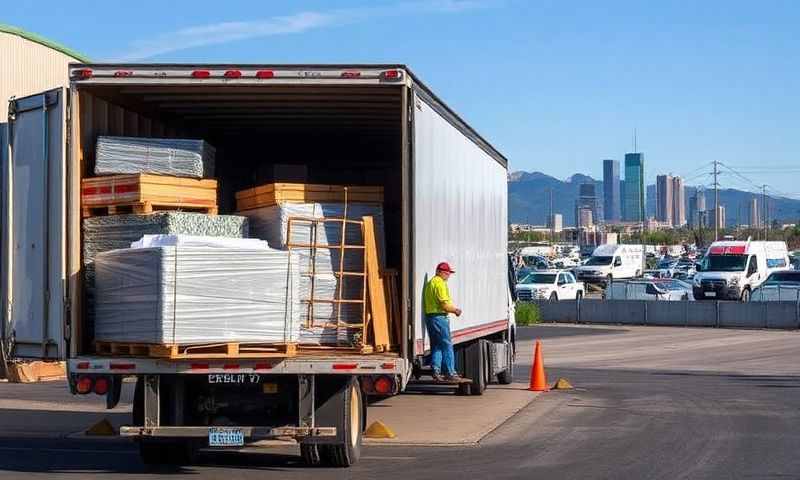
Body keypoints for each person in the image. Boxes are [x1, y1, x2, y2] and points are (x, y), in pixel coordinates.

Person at [423, 262, 463, 382]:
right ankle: (450, 372)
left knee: (436, 345)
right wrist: (455, 310)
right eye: (447, 273)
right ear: (440, 272)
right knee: (447, 345)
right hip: (439, 318)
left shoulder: (431, 283)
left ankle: (436, 371)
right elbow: (444, 305)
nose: (448, 276)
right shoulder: (440, 284)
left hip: (430, 317)